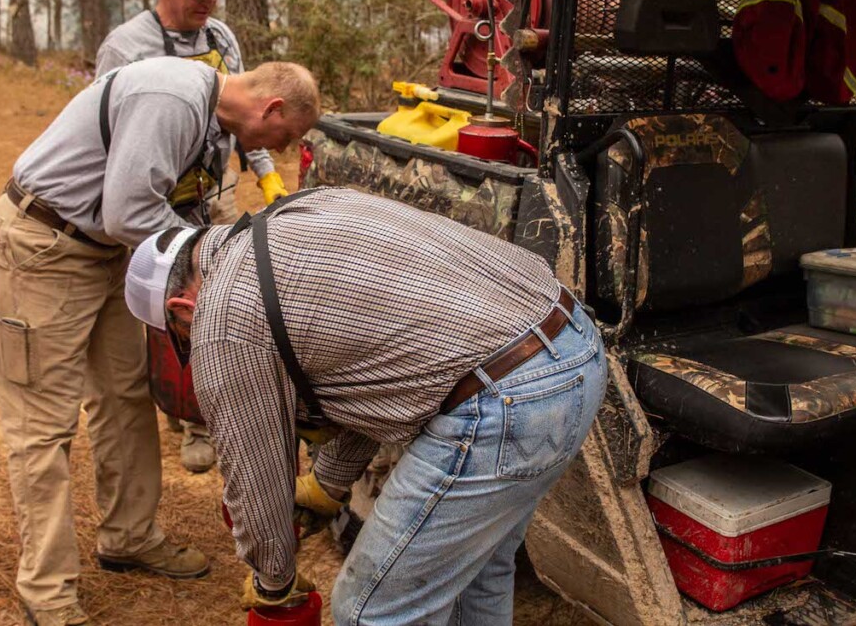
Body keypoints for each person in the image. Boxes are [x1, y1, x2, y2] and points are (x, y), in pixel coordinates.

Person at [124, 188, 608, 625]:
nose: (193, 342)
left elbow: (254, 472)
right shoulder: (299, 210)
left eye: (182, 337)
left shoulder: (223, 314)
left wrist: (274, 583)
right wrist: (327, 485)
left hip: (506, 397)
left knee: (369, 612)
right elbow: (374, 375)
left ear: (181, 311)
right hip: (572, 349)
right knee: (472, 577)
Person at [0, 57, 320, 626]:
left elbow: (159, 211)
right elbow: (128, 211)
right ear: (270, 109)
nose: (279, 151)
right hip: (46, 248)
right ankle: (46, 590)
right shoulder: (172, 98)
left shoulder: (215, 119)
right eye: (283, 137)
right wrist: (221, 258)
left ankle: (129, 536)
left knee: (125, 397)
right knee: (43, 424)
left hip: (108, 253)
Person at [94, 0, 289, 473]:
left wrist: (268, 178)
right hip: (150, 205)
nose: (208, 2)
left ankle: (203, 419)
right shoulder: (126, 46)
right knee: (163, 304)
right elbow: (112, 138)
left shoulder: (220, 40)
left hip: (210, 199)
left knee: (212, 302)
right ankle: (173, 405)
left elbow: (247, 114)